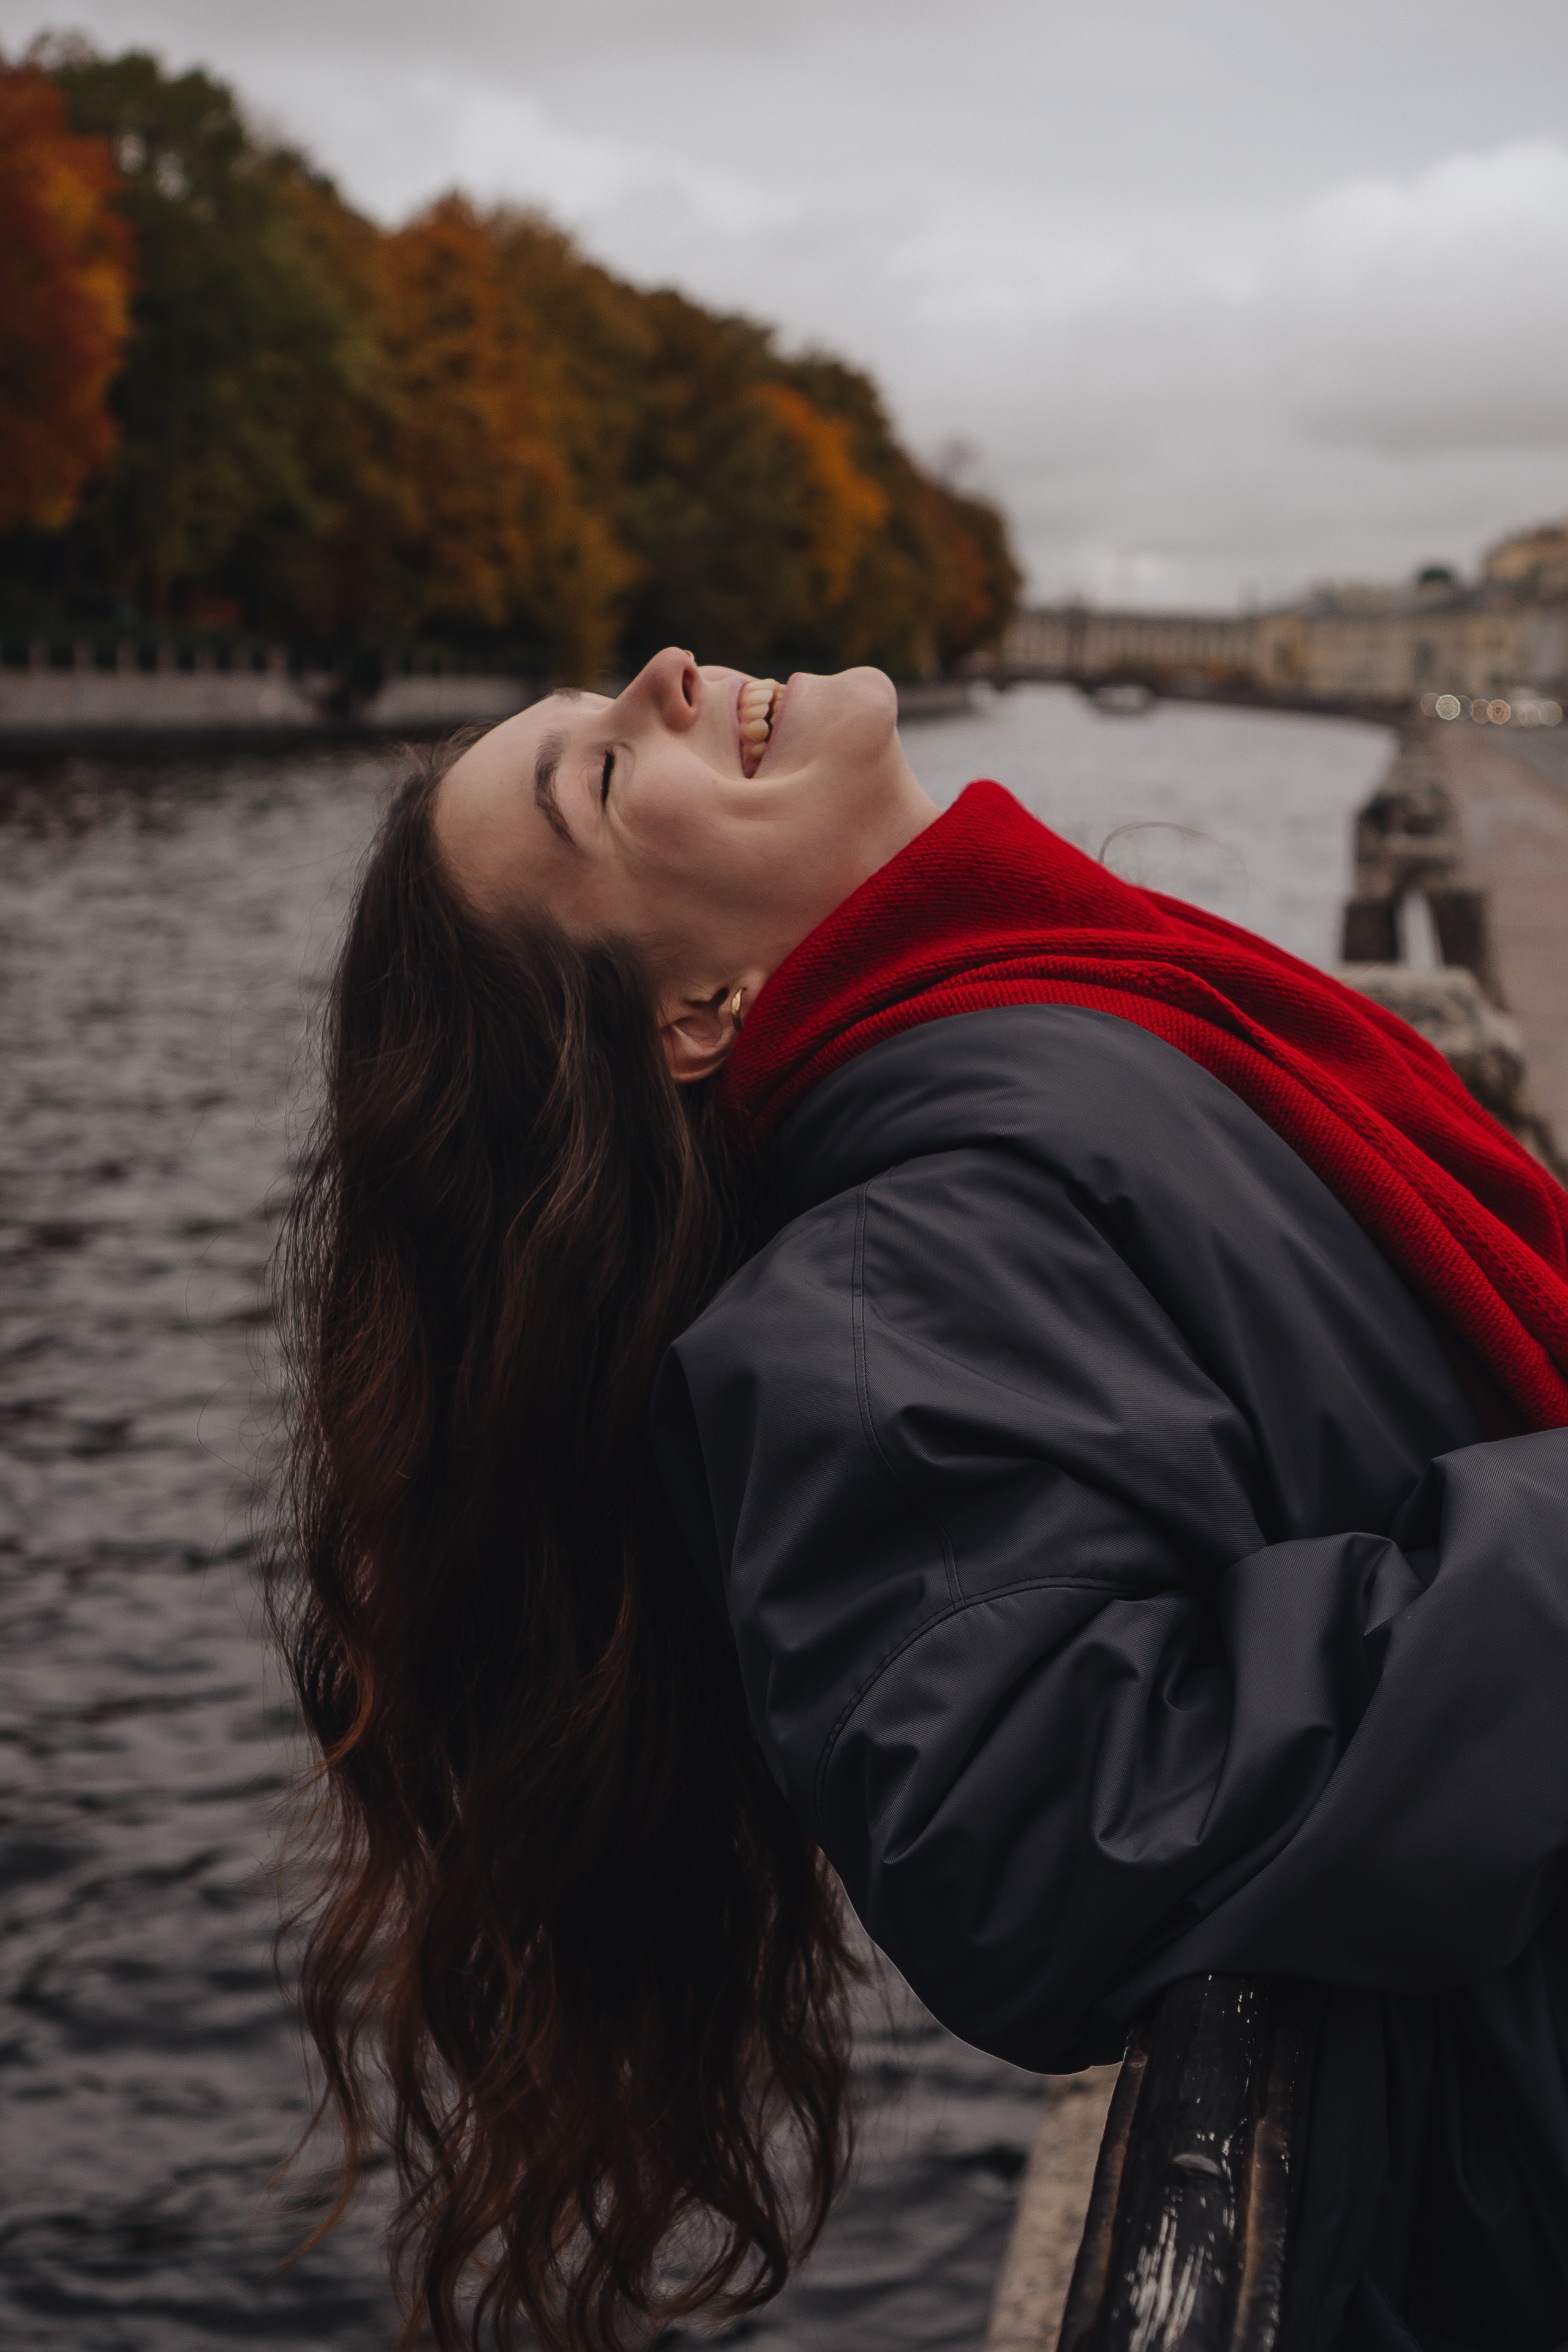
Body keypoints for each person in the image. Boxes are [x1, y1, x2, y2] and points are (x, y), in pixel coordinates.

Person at [277, 648, 1568, 2352]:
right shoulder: (876, 1299)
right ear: (697, 1012)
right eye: (601, 776)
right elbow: (1059, 1844)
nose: (663, 672)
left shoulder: (1050, 1036)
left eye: (604, 701)